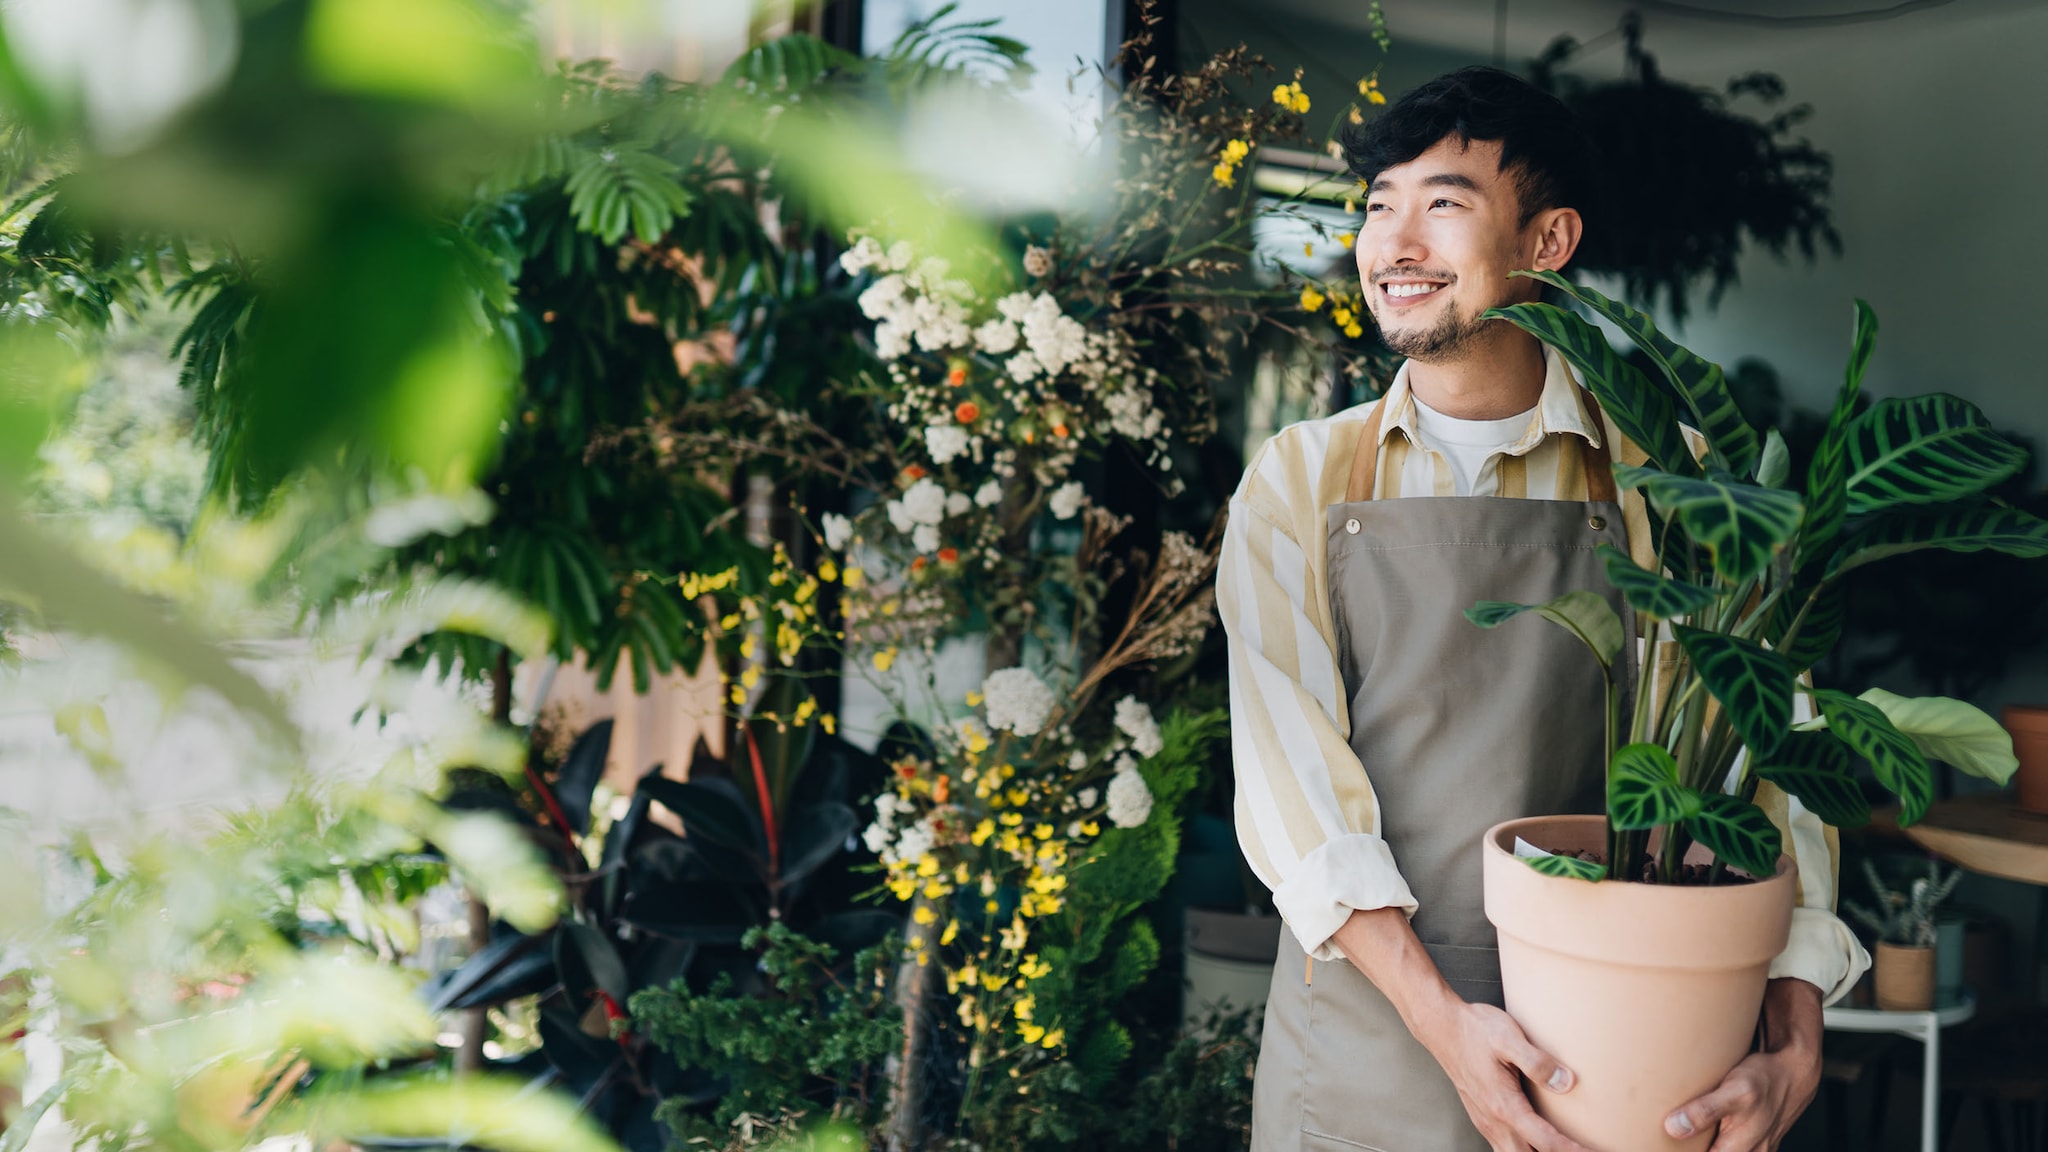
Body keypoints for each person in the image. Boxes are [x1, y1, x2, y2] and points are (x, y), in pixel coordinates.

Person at [1218, 67, 1868, 1152]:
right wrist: (1445, 1028)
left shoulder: (1671, 479)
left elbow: (1771, 764)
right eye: (1379, 205)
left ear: (1548, 241)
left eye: (1442, 202)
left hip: (1627, 1054)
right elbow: (1293, 796)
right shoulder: (1298, 480)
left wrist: (1791, 1037)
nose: (1393, 242)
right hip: (1367, 1050)